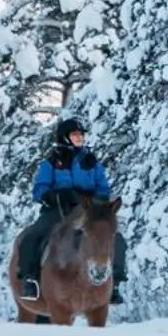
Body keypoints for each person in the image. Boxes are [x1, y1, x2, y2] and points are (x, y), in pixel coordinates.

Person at [16, 117, 123, 303]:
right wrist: (54, 195)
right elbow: (39, 189)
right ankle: (30, 278)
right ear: (65, 137)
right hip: (58, 209)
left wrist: (97, 199)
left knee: (115, 237)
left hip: (89, 211)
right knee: (34, 235)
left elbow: (103, 187)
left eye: (81, 134)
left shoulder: (91, 161)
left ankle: (115, 283)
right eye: (75, 135)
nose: (80, 138)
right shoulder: (51, 162)